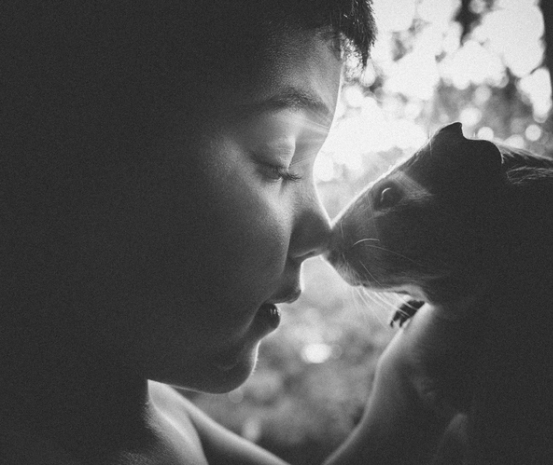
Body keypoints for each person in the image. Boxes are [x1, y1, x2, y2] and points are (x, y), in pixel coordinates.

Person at [0, 2, 471, 463]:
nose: (324, 234)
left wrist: (407, 392)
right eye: (280, 161)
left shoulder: (152, 414)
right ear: (71, 148)